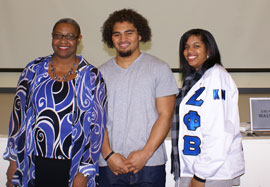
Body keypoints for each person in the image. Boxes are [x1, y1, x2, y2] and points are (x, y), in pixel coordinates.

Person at [3, 18, 107, 187]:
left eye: (69, 36)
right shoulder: (33, 70)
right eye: (58, 35)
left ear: (79, 39)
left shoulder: (92, 75)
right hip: (32, 162)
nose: (63, 41)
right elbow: (18, 117)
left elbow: (97, 127)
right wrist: (14, 160)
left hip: (73, 165)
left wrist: (85, 171)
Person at [97, 9, 179, 187]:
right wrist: (108, 155)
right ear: (110, 38)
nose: (123, 39)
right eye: (117, 34)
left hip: (149, 164)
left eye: (129, 33)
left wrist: (145, 153)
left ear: (140, 35)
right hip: (110, 165)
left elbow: (166, 114)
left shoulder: (159, 68)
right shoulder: (99, 74)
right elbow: (96, 119)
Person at [171, 28, 245, 187]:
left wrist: (201, 176)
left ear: (209, 50)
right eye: (186, 46)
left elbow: (219, 131)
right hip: (195, 169)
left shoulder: (216, 77)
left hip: (211, 174)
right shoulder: (195, 79)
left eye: (196, 46)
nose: (189, 50)